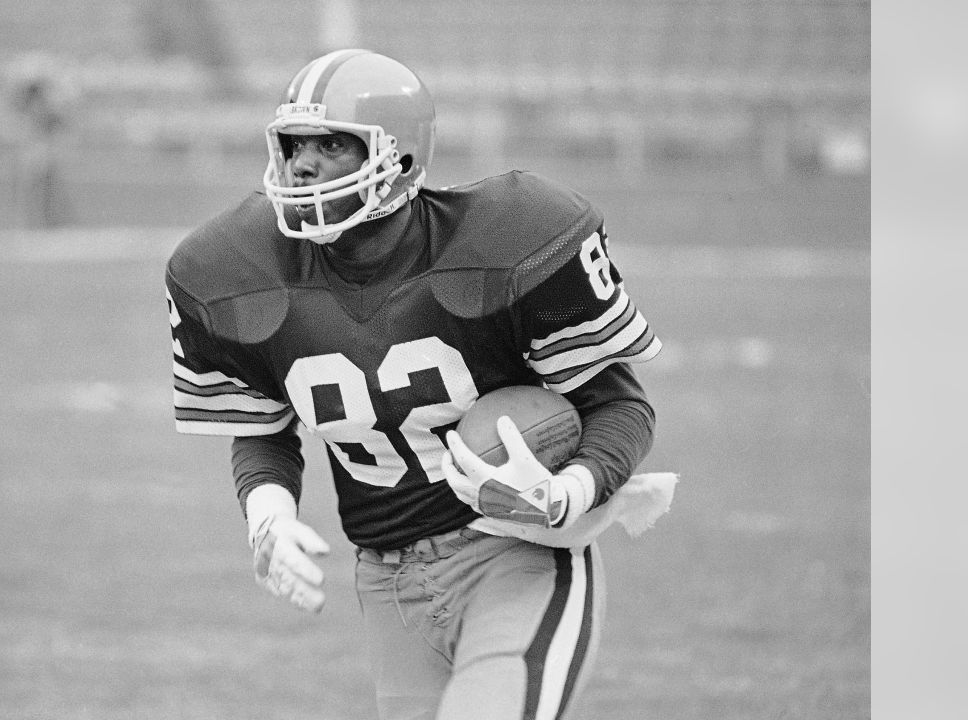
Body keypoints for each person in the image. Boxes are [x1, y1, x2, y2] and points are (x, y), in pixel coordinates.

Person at [165, 49, 675, 720]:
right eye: (293, 146)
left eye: (332, 145)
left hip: (514, 560)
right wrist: (268, 516)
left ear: (399, 160)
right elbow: (263, 430)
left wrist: (564, 492)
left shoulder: (509, 240)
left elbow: (619, 404)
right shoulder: (232, 269)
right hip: (386, 582)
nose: (303, 165)